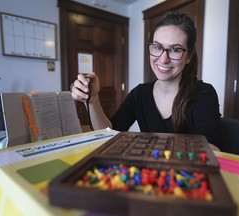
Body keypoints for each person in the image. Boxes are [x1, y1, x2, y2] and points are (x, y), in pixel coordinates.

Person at [71, 11, 222, 151]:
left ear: (189, 56)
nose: (163, 59)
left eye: (175, 49)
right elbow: (109, 135)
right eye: (157, 47)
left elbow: (211, 149)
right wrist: (93, 100)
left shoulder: (203, 93)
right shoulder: (140, 94)